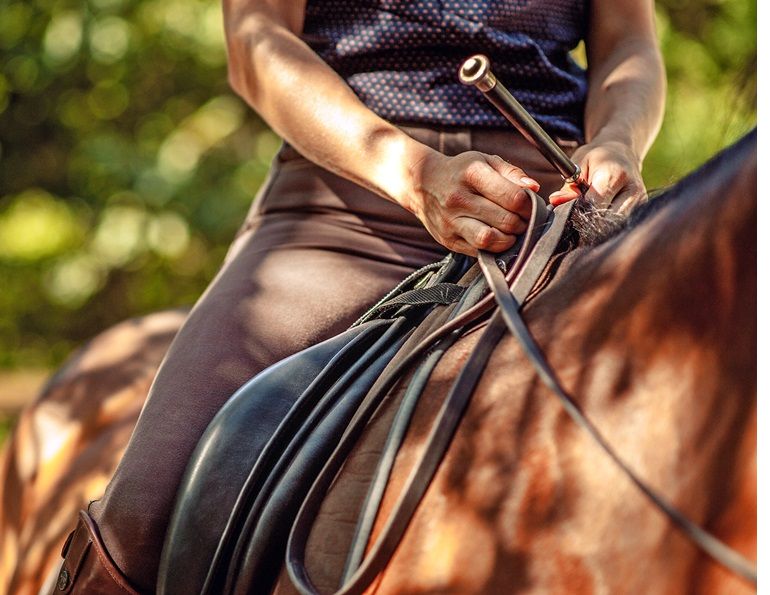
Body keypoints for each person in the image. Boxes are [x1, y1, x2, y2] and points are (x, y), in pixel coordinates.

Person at [55, 0, 665, 592]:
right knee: (147, 503)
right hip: (346, 211)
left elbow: (630, 42)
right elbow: (255, 38)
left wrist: (617, 141)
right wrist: (416, 176)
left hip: (548, 212)